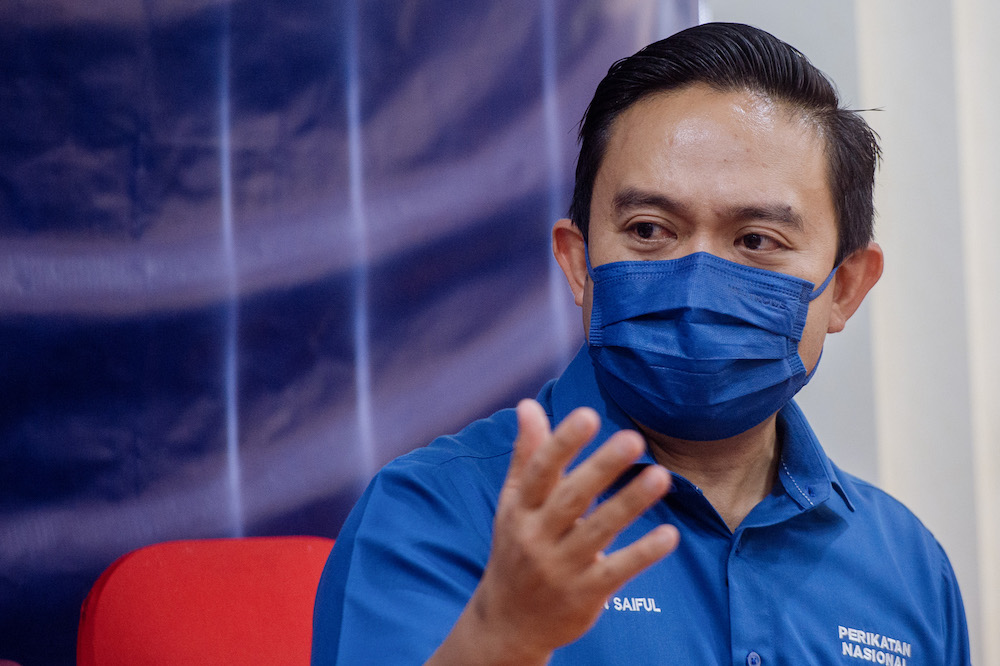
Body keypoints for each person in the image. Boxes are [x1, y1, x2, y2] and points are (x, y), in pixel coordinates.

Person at [312, 22, 971, 665]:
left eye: (756, 241)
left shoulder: (908, 568)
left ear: (846, 288)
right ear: (579, 263)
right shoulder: (432, 515)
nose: (696, 281)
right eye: (651, 230)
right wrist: (502, 637)